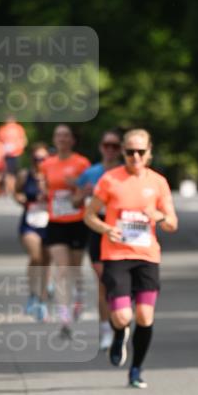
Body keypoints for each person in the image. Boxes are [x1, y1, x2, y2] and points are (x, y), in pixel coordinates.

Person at [84, 128, 178, 388]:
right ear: (123, 152)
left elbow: (172, 223)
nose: (134, 156)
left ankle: (136, 368)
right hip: (116, 254)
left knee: (145, 317)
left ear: (149, 153)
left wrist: (158, 216)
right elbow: (89, 215)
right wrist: (106, 229)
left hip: (147, 256)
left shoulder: (158, 182)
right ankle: (118, 334)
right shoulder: (110, 180)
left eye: (140, 151)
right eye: (129, 152)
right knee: (123, 317)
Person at [73, 130, 122, 350]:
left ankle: (120, 322)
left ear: (120, 149)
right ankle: (107, 330)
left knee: (121, 283)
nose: (110, 150)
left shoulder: (128, 173)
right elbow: (75, 202)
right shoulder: (90, 172)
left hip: (123, 231)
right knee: (103, 282)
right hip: (97, 230)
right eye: (106, 145)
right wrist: (84, 193)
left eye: (115, 146)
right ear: (101, 147)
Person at [39, 125, 90, 336]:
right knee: (62, 269)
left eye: (66, 135)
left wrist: (76, 186)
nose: (62, 139)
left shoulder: (81, 163)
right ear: (54, 139)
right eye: (58, 135)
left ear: (72, 140)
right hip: (56, 221)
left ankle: (78, 295)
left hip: (77, 221)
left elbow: (88, 190)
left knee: (75, 269)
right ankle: (64, 317)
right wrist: (44, 194)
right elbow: (44, 188)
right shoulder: (47, 164)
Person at [14, 142, 51, 319]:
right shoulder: (24, 175)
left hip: (50, 222)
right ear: (32, 159)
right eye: (37, 159)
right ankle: (32, 293)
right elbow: (16, 192)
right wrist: (22, 199)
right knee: (36, 257)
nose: (40, 162)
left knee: (46, 261)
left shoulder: (52, 176)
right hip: (30, 222)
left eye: (44, 159)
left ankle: (42, 301)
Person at [0, 115, 28, 195]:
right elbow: (24, 140)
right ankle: (12, 190)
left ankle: (11, 190)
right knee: (12, 173)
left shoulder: (4, 129)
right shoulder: (18, 128)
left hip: (12, 153)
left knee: (10, 173)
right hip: (13, 154)